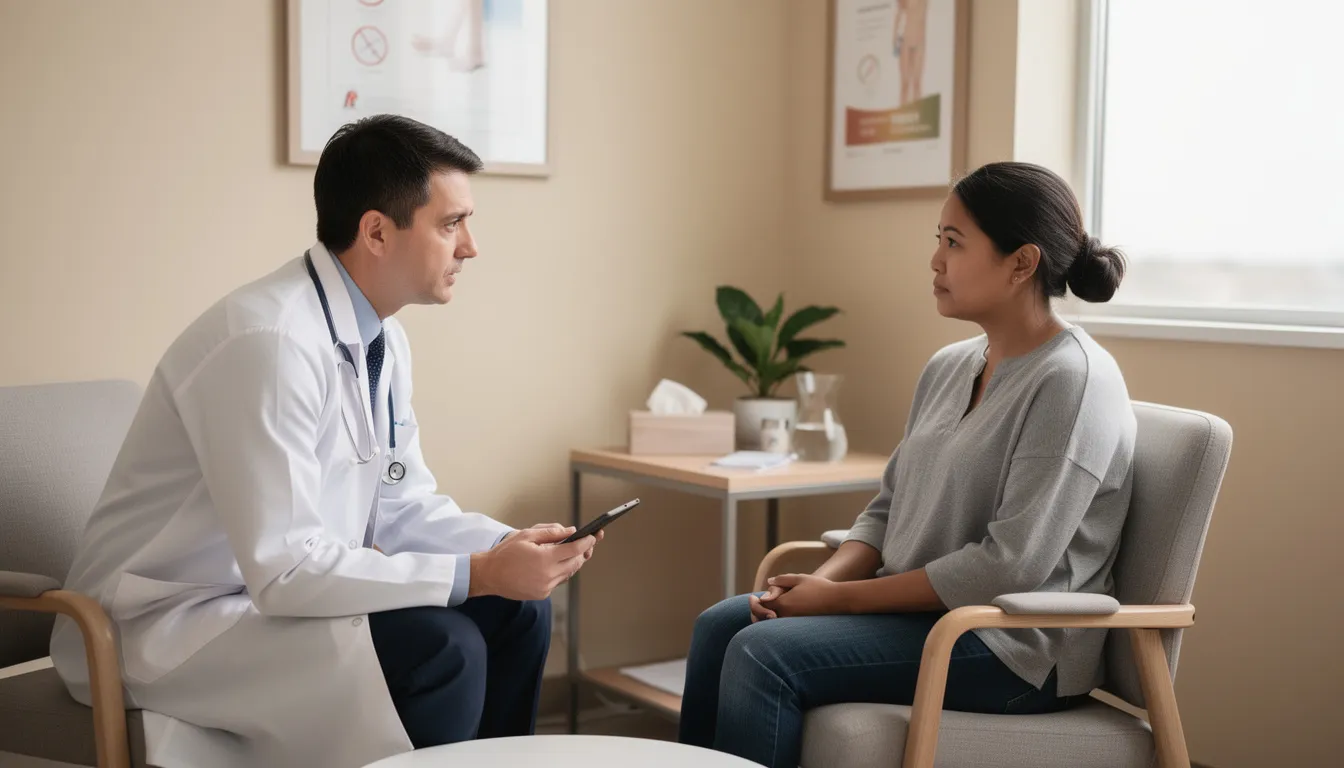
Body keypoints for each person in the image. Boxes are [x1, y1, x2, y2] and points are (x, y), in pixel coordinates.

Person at [50, 114, 600, 768]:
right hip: (163, 625)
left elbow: (400, 507)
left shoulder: (381, 339)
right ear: (376, 231)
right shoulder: (268, 343)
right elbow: (284, 569)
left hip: (260, 599)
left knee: (518, 614)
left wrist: (503, 548)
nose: (471, 246)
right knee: (443, 647)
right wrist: (476, 572)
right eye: (451, 224)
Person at [678, 161, 1136, 768]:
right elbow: (887, 505)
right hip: (923, 617)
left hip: (1007, 644)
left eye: (954, 243)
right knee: (719, 626)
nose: (935, 261)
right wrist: (830, 581)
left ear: (1022, 263)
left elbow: (1010, 563)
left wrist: (837, 603)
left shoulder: (1073, 382)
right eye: (937, 240)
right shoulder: (950, 365)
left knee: (764, 652)